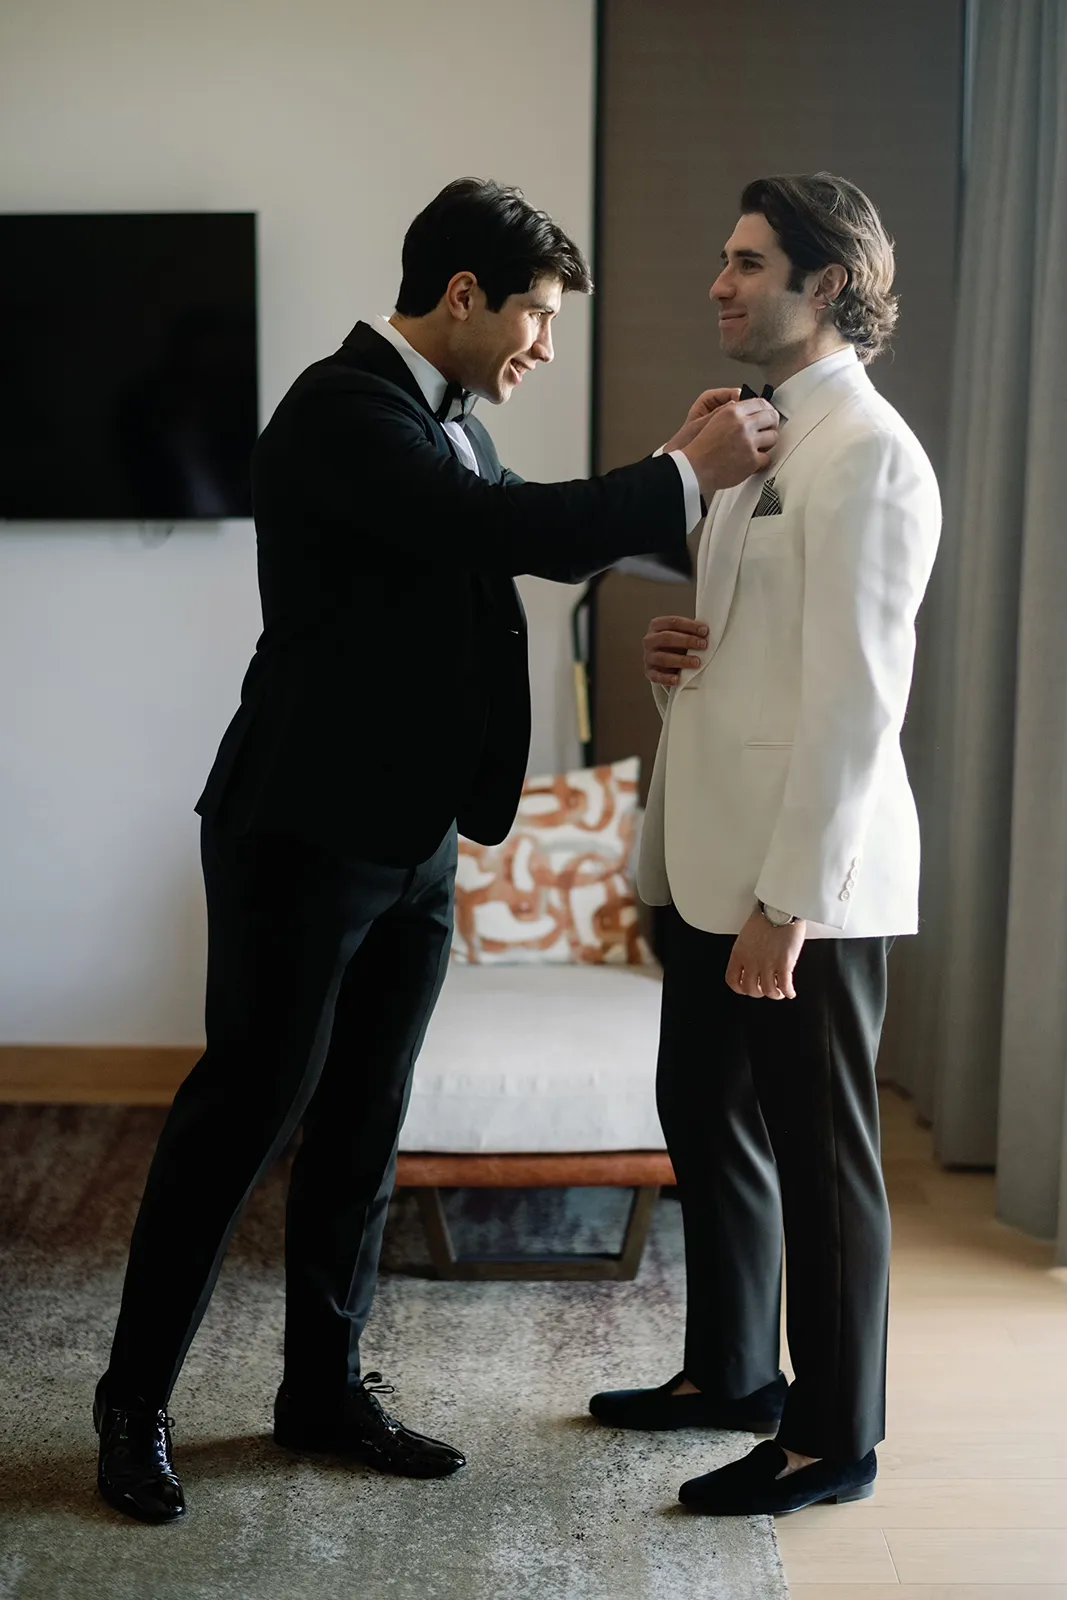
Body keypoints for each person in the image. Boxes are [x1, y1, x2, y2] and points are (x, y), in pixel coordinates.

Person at [93, 177, 778, 1524]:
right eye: (536, 315)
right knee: (239, 1122)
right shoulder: (342, 412)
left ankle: (320, 1391)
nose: (544, 345)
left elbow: (528, 525)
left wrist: (668, 465)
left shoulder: (446, 419)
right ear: (462, 296)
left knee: (365, 1126)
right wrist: (679, 475)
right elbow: (507, 533)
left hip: (410, 839)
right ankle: (132, 1405)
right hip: (300, 831)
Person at [588, 173, 941, 1516]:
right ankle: (732, 1372)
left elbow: (856, 705)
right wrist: (680, 659)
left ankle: (832, 1440)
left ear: (824, 283)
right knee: (699, 1109)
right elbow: (756, 652)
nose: (719, 284)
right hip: (710, 859)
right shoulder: (754, 443)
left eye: (746, 262)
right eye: (723, 259)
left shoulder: (869, 455)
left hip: (805, 886)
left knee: (821, 1159)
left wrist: (786, 905)